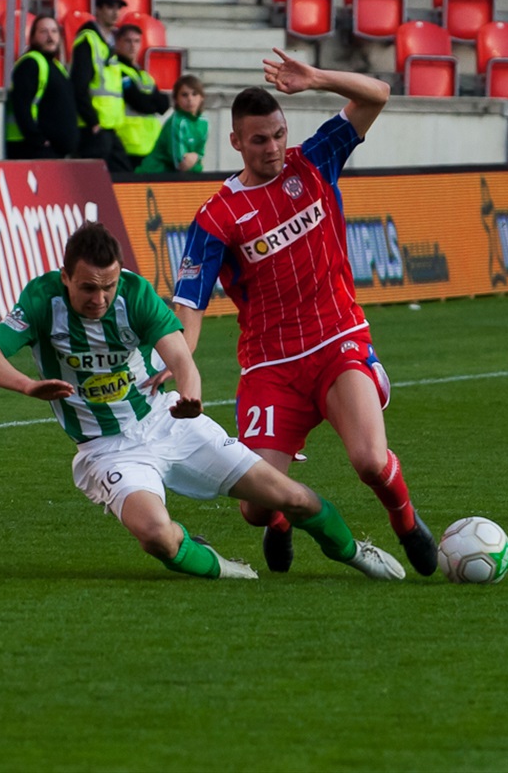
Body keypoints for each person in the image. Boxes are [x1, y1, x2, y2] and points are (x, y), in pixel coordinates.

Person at [0, 220, 406, 582]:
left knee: (291, 497)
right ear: (65, 278)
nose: (99, 298)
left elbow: (180, 356)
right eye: (87, 288)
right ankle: (218, 564)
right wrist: (27, 385)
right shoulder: (42, 300)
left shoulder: (135, 294)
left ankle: (353, 552)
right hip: (107, 448)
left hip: (169, 422)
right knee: (156, 534)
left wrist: (191, 396)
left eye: (108, 286)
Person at [172, 49, 439, 577]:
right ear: (235, 143)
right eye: (258, 140)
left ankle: (406, 521)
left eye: (277, 135)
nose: (272, 148)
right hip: (271, 366)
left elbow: (378, 94)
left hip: (337, 339)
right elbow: (190, 303)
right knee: (254, 506)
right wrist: (182, 363)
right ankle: (279, 522)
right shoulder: (216, 216)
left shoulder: (313, 161)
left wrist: (315, 78)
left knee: (369, 462)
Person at [69, 0, 142, 173]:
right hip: (94, 127)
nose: (115, 12)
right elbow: (79, 85)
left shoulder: (107, 42)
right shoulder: (88, 39)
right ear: (98, 10)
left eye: (118, 8)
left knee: (122, 174)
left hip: (108, 127)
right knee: (92, 179)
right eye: (110, 7)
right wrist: (92, 121)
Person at [5, 15, 79, 160]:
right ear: (32, 38)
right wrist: (38, 140)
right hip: (33, 151)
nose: (50, 37)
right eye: (43, 32)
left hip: (53, 153)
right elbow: (21, 106)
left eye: (54, 31)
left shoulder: (57, 66)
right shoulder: (30, 63)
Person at [110, 23, 170, 169]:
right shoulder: (115, 70)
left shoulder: (143, 75)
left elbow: (164, 104)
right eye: (128, 41)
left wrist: (152, 102)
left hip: (150, 144)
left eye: (137, 41)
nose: (133, 46)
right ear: (118, 42)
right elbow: (140, 102)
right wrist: (152, 101)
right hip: (128, 143)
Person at [137, 74, 208, 174]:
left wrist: (195, 157)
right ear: (176, 99)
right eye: (184, 95)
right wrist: (196, 164)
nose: (190, 99)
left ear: (202, 97)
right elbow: (179, 162)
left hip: (175, 175)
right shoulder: (176, 122)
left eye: (194, 94)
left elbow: (200, 153)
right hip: (154, 174)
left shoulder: (204, 121)